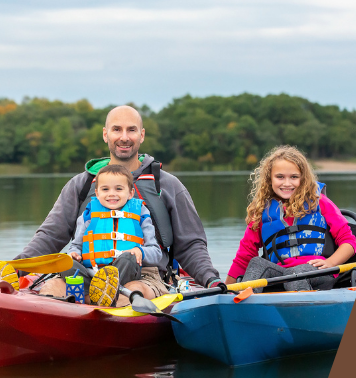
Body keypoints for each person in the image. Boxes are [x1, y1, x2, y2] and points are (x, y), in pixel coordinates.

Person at [18, 105, 221, 302]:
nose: (124, 137)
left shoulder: (168, 185)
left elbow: (191, 245)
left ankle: (104, 312)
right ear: (105, 134)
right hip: (89, 272)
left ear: (141, 135)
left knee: (128, 295)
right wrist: (17, 267)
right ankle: (76, 315)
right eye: (117, 129)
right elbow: (50, 236)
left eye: (131, 130)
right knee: (52, 288)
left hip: (145, 275)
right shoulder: (81, 184)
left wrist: (210, 279)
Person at [226, 145, 356, 291]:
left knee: (295, 273)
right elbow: (244, 257)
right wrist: (224, 290)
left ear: (303, 178)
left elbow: (349, 242)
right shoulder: (261, 212)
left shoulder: (320, 202)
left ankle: (303, 311)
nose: (287, 183)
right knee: (257, 263)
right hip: (281, 274)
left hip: (318, 271)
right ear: (270, 179)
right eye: (280, 177)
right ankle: (240, 303)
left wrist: (331, 263)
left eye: (294, 177)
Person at [64, 164, 163, 306]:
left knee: (129, 258)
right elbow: (76, 245)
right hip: (92, 273)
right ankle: (99, 291)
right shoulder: (89, 214)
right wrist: (73, 253)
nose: (112, 194)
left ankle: (105, 292)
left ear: (130, 193)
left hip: (124, 272)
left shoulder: (141, 212)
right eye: (105, 189)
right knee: (66, 263)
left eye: (119, 189)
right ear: (97, 193)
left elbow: (156, 253)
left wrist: (140, 251)